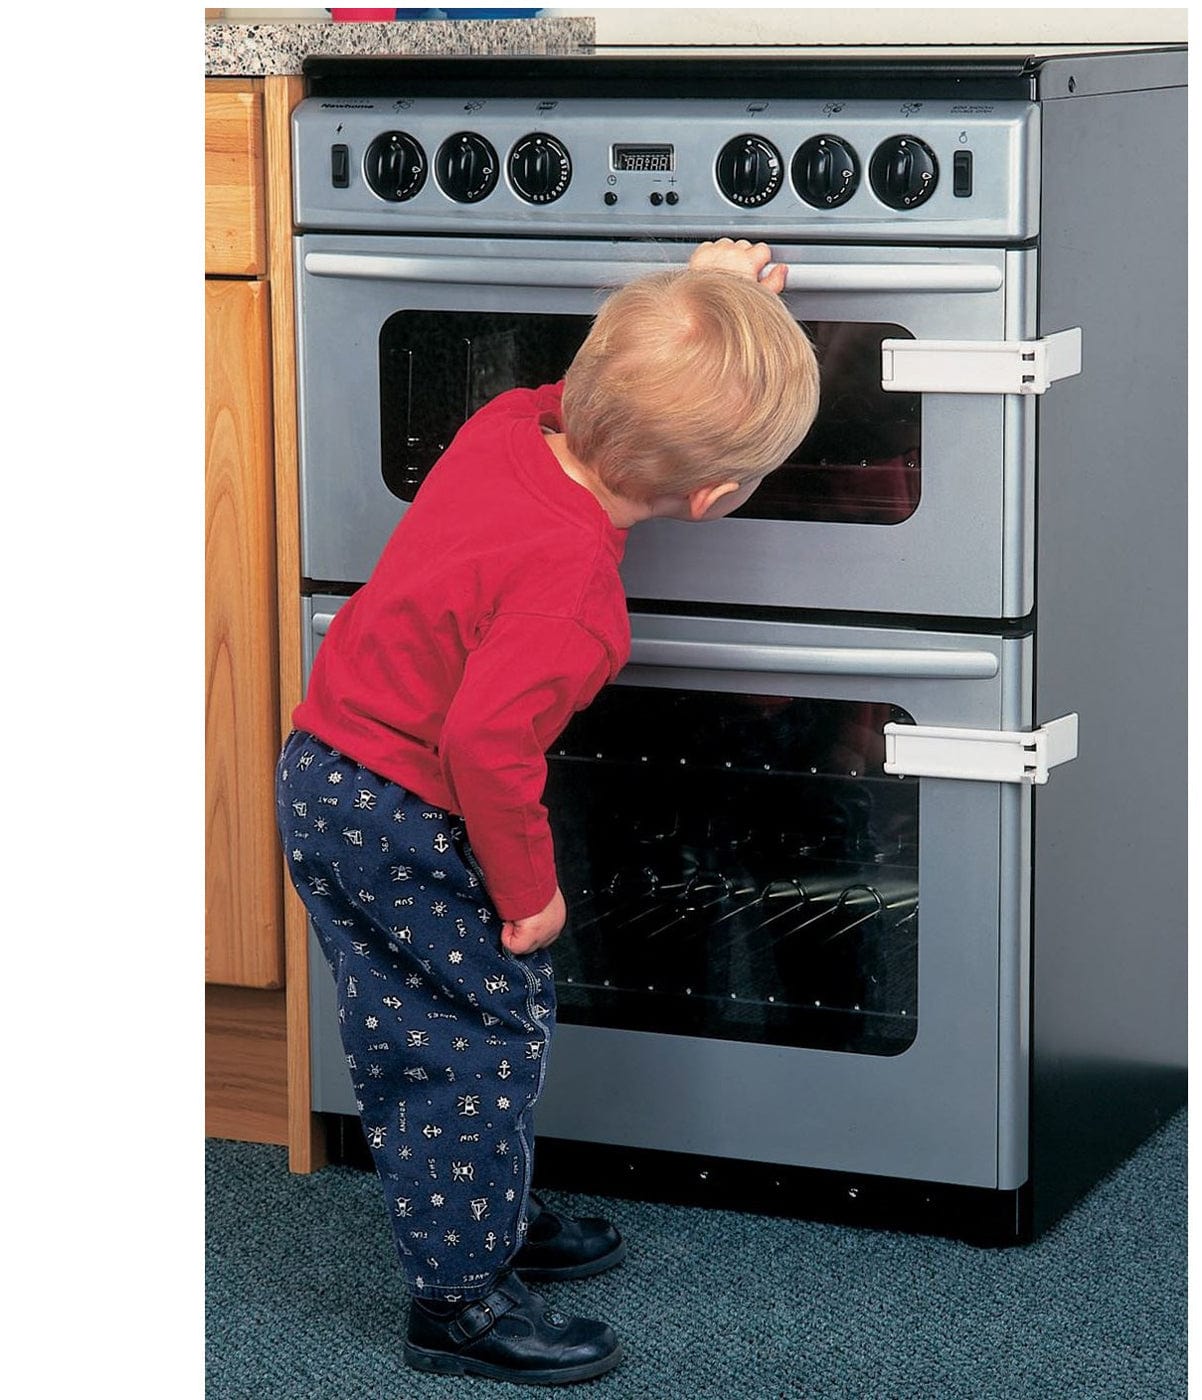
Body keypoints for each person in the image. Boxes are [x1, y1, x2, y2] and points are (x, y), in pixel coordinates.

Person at [275, 238, 820, 1386]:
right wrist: (531, 894)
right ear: (710, 499)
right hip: (403, 811)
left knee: (435, 1024)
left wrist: (704, 296)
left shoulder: (503, 431)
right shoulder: (575, 591)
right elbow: (484, 745)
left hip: (326, 768)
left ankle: (486, 1209)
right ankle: (459, 1301)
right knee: (470, 1043)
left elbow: (584, 387)